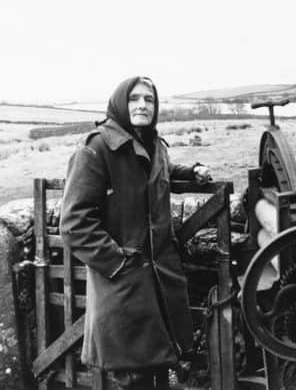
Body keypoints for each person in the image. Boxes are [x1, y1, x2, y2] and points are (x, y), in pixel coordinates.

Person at [60, 76, 210, 389]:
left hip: (160, 282)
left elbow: (155, 171)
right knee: (132, 379)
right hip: (124, 287)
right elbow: (74, 224)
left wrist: (191, 171)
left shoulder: (154, 144)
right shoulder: (96, 148)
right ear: (120, 103)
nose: (142, 105)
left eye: (149, 99)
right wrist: (119, 263)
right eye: (134, 98)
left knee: (161, 372)